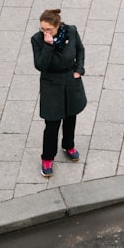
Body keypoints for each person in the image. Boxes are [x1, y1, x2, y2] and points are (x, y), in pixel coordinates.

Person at [31, 9, 86, 178]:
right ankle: (47, 158)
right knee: (52, 124)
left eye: (48, 29)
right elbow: (40, 65)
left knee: (71, 116)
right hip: (51, 84)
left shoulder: (71, 30)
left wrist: (79, 70)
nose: (45, 32)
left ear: (57, 26)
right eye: (42, 29)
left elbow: (80, 50)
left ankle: (68, 145)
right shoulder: (37, 40)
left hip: (70, 80)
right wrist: (48, 45)